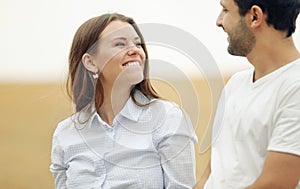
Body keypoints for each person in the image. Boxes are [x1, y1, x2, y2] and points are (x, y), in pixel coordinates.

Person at [50, 13, 197, 189]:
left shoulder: (168, 118)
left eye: (138, 43)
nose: (136, 50)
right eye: (119, 44)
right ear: (90, 62)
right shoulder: (65, 133)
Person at [194, 0, 300, 188]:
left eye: (225, 10)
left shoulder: (295, 87)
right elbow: (211, 174)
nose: (219, 21)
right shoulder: (235, 84)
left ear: (254, 17)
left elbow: (276, 184)